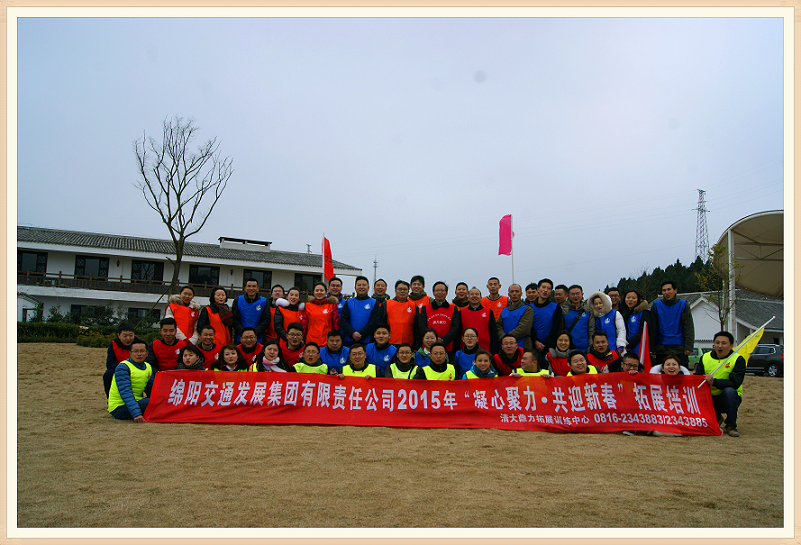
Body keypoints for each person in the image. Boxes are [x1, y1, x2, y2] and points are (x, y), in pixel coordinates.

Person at [694, 331, 744, 437]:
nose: (720, 346)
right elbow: (698, 377)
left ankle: (731, 425)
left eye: (724, 343)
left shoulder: (738, 359)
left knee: (729, 391)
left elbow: (735, 383)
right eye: (717, 343)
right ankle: (716, 418)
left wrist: (714, 382)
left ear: (731, 345)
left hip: (728, 397)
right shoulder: (705, 357)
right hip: (709, 396)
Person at [649, 280, 695, 367]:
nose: (666, 292)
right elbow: (653, 327)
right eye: (664, 290)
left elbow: (688, 326)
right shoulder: (656, 305)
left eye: (669, 289)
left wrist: (689, 347)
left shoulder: (683, 304)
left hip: (679, 348)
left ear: (675, 290)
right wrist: (652, 347)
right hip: (661, 348)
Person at [107, 337, 153, 422]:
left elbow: (151, 390)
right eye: (135, 351)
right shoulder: (123, 367)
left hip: (137, 402)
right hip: (119, 407)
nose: (139, 354)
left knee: (159, 399)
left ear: (147, 353)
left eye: (142, 351)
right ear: (130, 353)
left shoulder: (148, 367)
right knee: (151, 402)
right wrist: (136, 414)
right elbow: (126, 393)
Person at [414, 281, 461, 355]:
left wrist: (443, 340)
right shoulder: (425, 308)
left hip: (447, 347)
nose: (440, 292)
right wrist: (432, 339)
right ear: (433, 293)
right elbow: (422, 326)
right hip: (428, 347)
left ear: (446, 293)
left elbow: (455, 328)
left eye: (442, 290)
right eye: (437, 290)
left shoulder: (453, 309)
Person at [340, 276, 381, 345]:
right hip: (349, 341)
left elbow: (375, 321)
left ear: (368, 287)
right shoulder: (349, 302)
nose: (361, 287)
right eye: (359, 285)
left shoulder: (373, 302)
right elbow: (343, 320)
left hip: (367, 341)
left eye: (364, 285)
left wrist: (361, 334)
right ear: (355, 287)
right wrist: (352, 333)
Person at [529, 278, 564, 359]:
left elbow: (556, 327)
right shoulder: (529, 308)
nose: (545, 290)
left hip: (549, 346)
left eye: (548, 288)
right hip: (533, 345)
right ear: (538, 289)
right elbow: (528, 327)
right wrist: (536, 341)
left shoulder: (555, 307)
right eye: (543, 287)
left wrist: (546, 344)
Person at [495, 284, 533, 351]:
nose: (514, 294)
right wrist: (503, 338)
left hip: (522, 347)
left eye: (517, 291)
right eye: (512, 291)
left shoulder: (527, 309)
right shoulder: (504, 310)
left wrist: (508, 339)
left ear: (521, 294)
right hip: (505, 347)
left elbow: (524, 328)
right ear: (508, 294)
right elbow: (498, 326)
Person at [232, 279, 271, 343]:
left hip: (258, 338)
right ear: (245, 288)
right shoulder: (238, 300)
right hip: (240, 338)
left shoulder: (264, 301)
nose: (251, 288)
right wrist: (243, 333)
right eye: (249, 286)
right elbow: (235, 319)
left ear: (257, 289)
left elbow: (266, 320)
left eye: (254, 286)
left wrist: (254, 333)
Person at [460, 287, 498, 353]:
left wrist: (493, 351)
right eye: (472, 294)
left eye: (477, 294)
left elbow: (493, 333)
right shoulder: (461, 313)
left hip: (485, 349)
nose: (474, 296)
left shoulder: (488, 312)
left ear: (481, 298)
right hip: (466, 350)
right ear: (468, 298)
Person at [103, 321, 135, 398]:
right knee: (108, 374)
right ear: (119, 335)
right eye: (125, 336)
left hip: (136, 370)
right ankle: (110, 398)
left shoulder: (138, 344)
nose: (128, 338)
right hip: (119, 370)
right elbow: (110, 363)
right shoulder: (113, 344)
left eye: (131, 335)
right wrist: (123, 369)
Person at [303, 281, 339, 346]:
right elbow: (304, 325)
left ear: (326, 292)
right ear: (313, 292)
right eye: (317, 290)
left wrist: (335, 339)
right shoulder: (307, 306)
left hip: (327, 342)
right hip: (311, 341)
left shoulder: (332, 305)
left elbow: (335, 324)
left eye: (321, 290)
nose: (319, 292)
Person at [385, 280, 416, 345]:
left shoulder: (413, 306)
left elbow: (416, 327)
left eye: (405, 289)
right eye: (400, 289)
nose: (402, 291)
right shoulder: (387, 304)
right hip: (390, 343)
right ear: (395, 291)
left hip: (408, 344)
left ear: (408, 291)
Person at [619, 289, 650, 354]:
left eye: (633, 298)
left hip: (639, 346)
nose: (630, 300)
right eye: (628, 298)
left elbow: (643, 331)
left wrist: (629, 344)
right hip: (625, 347)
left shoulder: (644, 313)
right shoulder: (622, 313)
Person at [562, 285, 591, 352]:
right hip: (568, 347)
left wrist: (590, 346)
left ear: (582, 294)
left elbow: (591, 330)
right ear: (568, 296)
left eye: (577, 293)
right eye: (572, 294)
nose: (575, 296)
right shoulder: (563, 309)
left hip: (584, 347)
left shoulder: (588, 310)